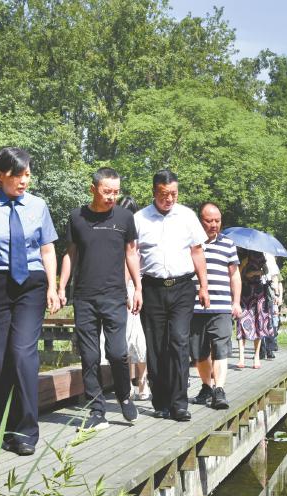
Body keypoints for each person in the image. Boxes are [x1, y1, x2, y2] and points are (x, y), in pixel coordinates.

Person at [0, 147, 60, 456]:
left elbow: (47, 249)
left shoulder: (38, 206)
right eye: (18, 175)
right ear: (0, 176)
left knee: (21, 353)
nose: (24, 181)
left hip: (32, 283)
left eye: (27, 174)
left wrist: (53, 286)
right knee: (0, 357)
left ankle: (27, 430)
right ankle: (7, 427)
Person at [58, 168, 142, 430]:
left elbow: (131, 254)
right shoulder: (76, 217)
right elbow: (70, 254)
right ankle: (97, 410)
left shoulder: (125, 217)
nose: (111, 197)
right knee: (89, 355)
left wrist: (138, 288)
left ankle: (124, 396)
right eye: (107, 192)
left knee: (117, 352)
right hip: (84, 297)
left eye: (116, 192)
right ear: (93, 189)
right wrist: (61, 287)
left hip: (115, 295)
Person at [135, 170, 209, 421]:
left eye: (173, 194)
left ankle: (179, 403)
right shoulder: (139, 218)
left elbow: (197, 252)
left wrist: (204, 286)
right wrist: (133, 289)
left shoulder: (187, 216)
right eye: (164, 194)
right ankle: (161, 401)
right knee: (156, 346)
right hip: (151, 288)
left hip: (182, 287)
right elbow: (132, 255)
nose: (169, 199)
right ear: (154, 192)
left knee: (179, 341)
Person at [189, 202, 241, 410]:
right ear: (200, 221)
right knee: (199, 352)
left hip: (221, 306)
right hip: (195, 307)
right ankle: (206, 387)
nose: (214, 225)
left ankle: (219, 389)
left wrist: (236, 302)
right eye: (209, 220)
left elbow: (234, 275)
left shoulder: (228, 244)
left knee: (220, 348)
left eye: (217, 220)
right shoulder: (190, 244)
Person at [118, 196, 149, 401]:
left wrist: (126, 288)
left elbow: (132, 263)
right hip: (125, 288)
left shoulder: (135, 235)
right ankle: (133, 384)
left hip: (132, 289)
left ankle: (142, 383)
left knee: (137, 337)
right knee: (126, 339)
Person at [236, 250, 274, 369]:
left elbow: (266, 271)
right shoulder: (240, 254)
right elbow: (236, 276)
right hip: (244, 292)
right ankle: (241, 357)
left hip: (258, 292)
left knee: (258, 323)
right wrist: (242, 265)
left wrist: (255, 272)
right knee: (241, 322)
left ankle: (256, 356)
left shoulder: (260, 254)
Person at [260, 253, 282, 360]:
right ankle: (261, 349)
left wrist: (277, 294)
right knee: (259, 321)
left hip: (268, 290)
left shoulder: (270, 257)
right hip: (257, 288)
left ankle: (269, 349)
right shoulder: (254, 255)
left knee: (270, 321)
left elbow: (275, 277)